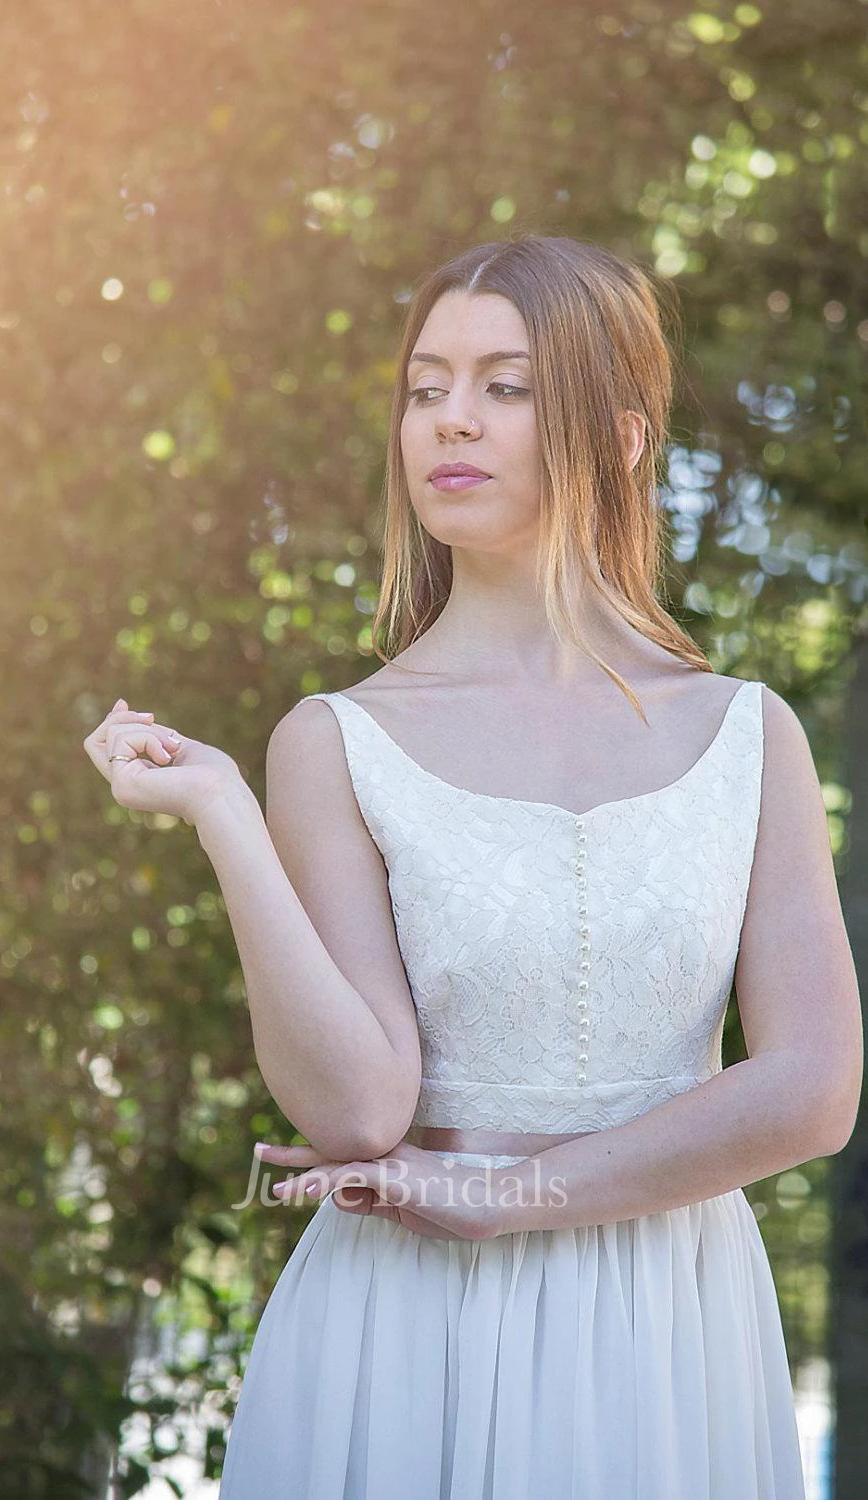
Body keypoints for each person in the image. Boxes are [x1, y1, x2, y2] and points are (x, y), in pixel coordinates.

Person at [83, 234, 862, 1498]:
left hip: (666, 1332)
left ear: (615, 436)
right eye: (426, 384)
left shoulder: (745, 731)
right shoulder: (332, 741)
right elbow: (357, 1113)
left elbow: (811, 1092)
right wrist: (225, 814)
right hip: (403, 1326)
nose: (451, 417)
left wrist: (517, 1192)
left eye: (505, 386)